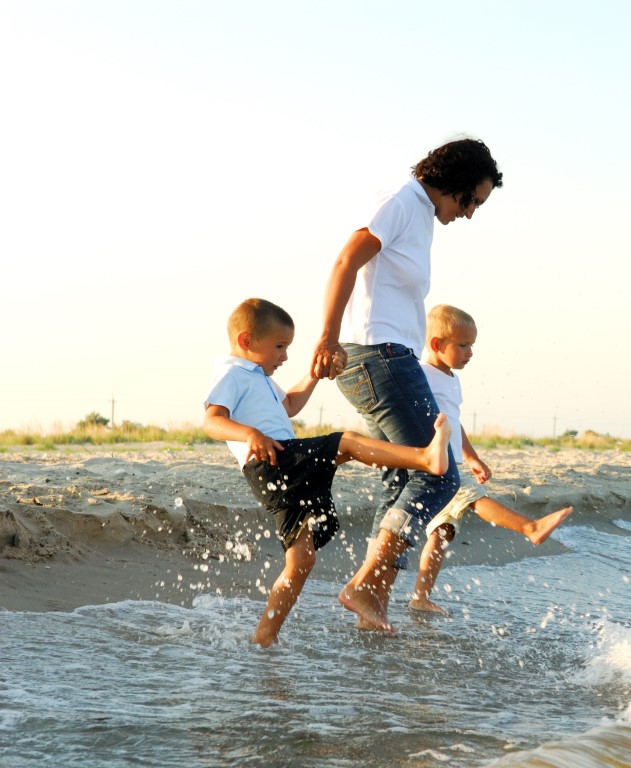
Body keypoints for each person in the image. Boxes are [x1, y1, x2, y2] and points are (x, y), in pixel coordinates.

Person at [309, 137, 503, 634]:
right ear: (453, 183)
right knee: (440, 474)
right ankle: (366, 586)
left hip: (389, 357)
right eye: (471, 201)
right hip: (379, 356)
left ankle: (375, 603)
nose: (470, 213)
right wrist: (328, 337)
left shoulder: (420, 216)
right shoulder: (402, 201)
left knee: (403, 478)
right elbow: (346, 260)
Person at [203, 298, 452, 647]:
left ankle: (264, 638)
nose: (284, 356)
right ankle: (425, 459)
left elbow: (289, 404)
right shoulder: (232, 372)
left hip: (277, 471)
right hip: (273, 460)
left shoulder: (258, 376)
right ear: (246, 341)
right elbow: (212, 421)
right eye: (279, 347)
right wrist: (249, 434)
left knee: (301, 561)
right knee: (346, 443)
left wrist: (314, 375)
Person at [409, 304, 574, 615]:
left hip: (453, 460)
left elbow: (454, 422)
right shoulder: (421, 374)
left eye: (472, 345)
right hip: (437, 462)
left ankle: (420, 597)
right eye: (463, 345)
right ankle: (530, 527)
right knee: (474, 497)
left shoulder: (451, 379)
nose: (470, 352)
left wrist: (471, 456)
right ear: (436, 344)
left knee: (441, 533)